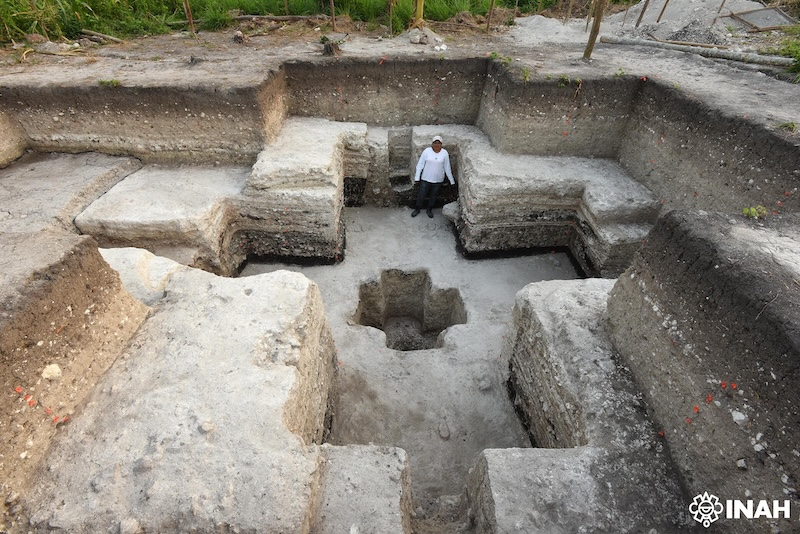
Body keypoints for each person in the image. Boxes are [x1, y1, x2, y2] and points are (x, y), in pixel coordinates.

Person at [411, 135, 455, 218]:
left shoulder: (444, 153)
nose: (437, 145)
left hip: (438, 180)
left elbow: (447, 167)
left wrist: (452, 181)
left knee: (433, 195)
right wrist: (417, 178)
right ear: (432, 143)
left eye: (439, 143)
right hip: (426, 178)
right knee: (421, 194)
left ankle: (429, 209)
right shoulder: (427, 151)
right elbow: (420, 165)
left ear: (441, 144)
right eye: (435, 142)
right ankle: (417, 209)